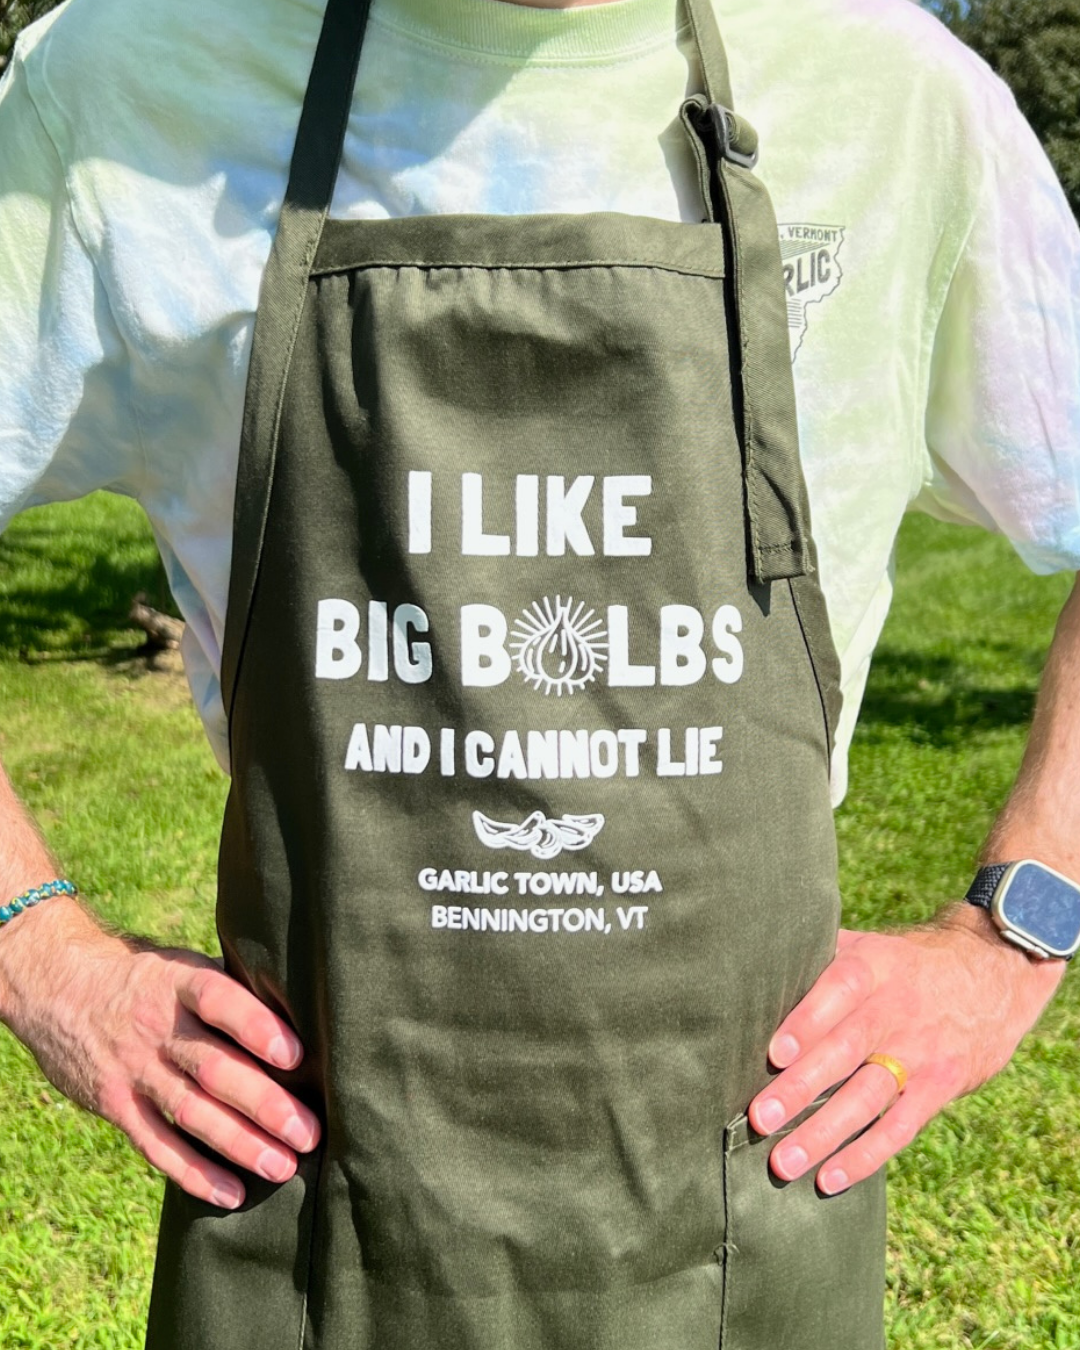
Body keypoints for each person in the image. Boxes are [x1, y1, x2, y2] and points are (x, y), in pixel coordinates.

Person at [1, 0, 1078, 1344]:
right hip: (312, 1245)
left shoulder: (898, 99)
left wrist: (1022, 923)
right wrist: (36, 947)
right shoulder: (127, 91)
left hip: (743, 1246)